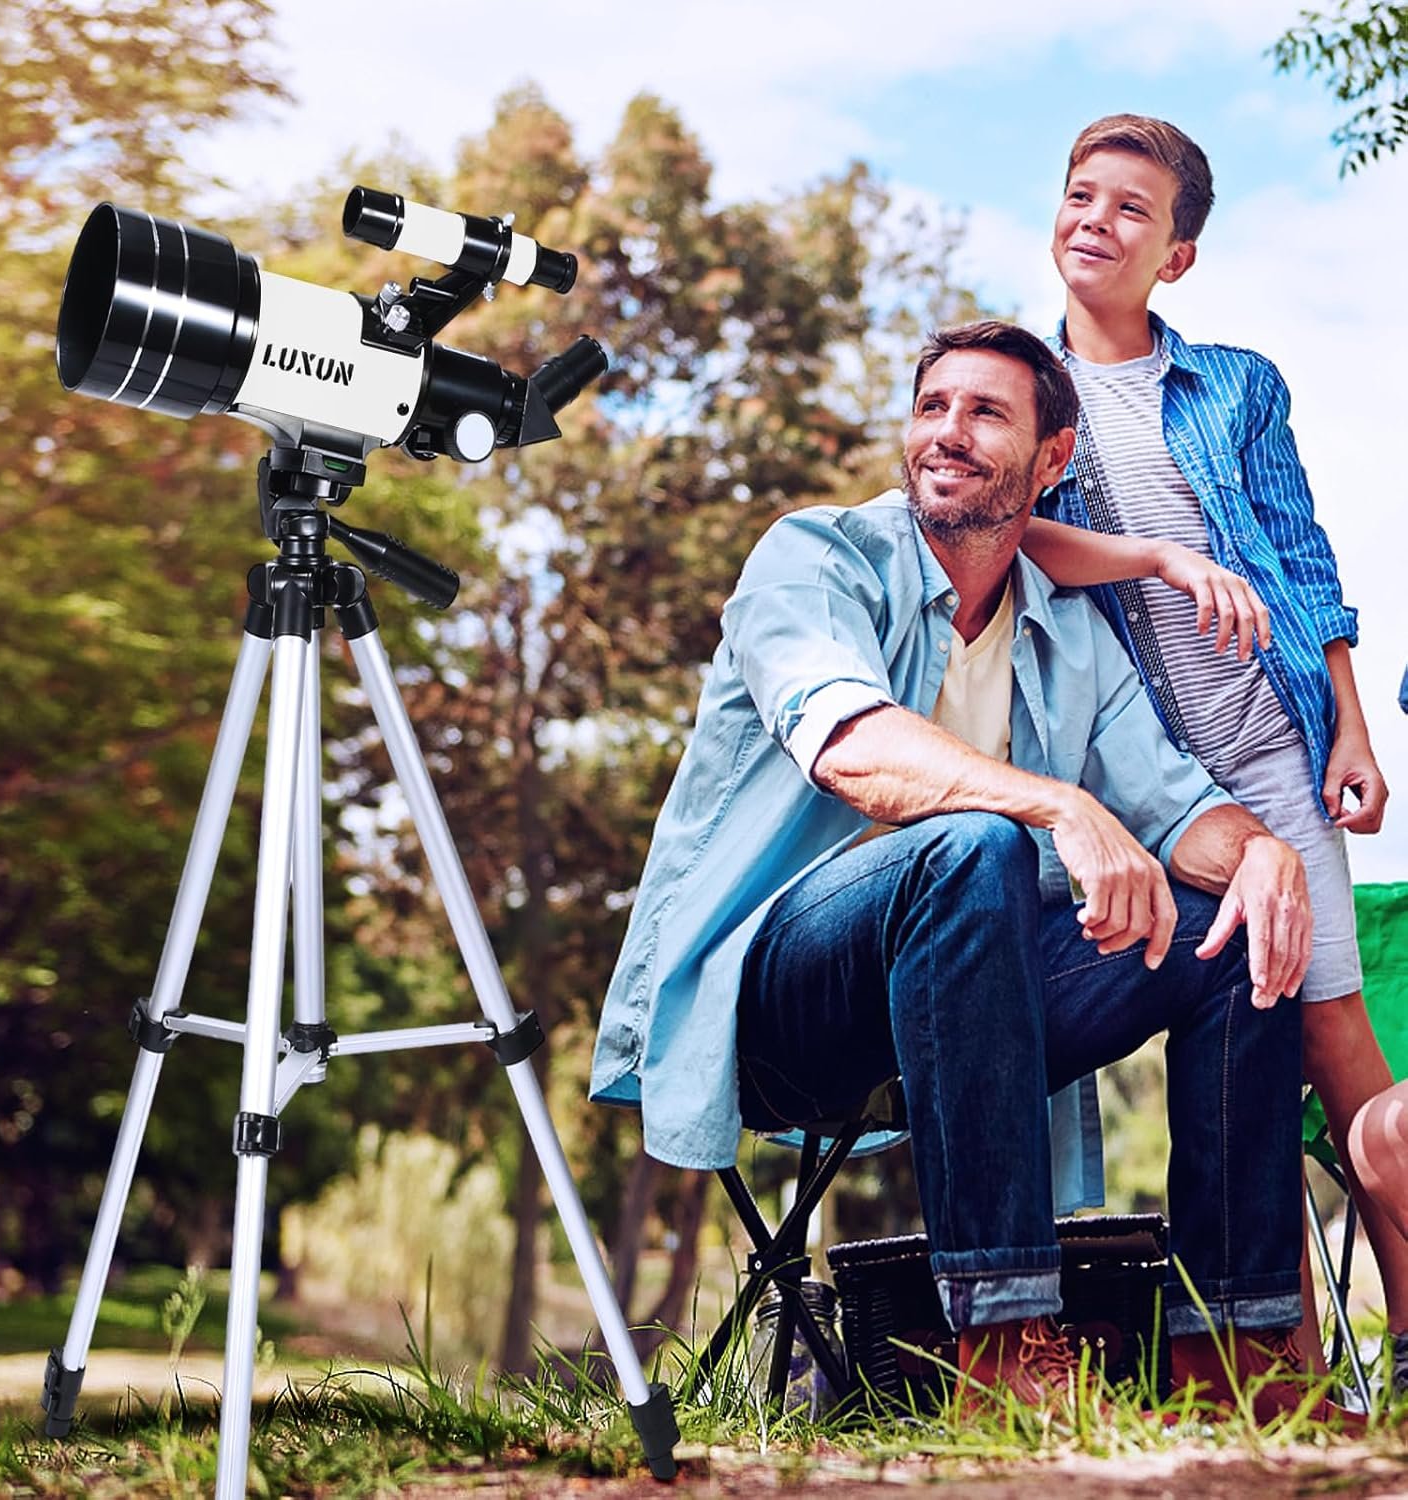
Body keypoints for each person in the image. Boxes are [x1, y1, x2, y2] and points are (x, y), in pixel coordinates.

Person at [591, 318, 1334, 1416]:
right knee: (971, 842)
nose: (949, 433)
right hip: (783, 1002)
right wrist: (1055, 803)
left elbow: (1182, 809)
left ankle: (1235, 1354)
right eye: (934, 407)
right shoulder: (817, 556)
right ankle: (1001, 1342)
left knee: (1238, 931)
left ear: (1052, 461)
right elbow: (851, 749)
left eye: (987, 413)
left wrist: (1265, 854)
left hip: (978, 1011)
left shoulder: (1072, 632)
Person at [1022, 112, 1402, 1384]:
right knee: (1239, 1049)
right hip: (1151, 787)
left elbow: (1298, 562)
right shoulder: (1019, 382)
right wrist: (1158, 555)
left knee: (1334, 1041)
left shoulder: (1237, 384)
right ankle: (1276, 1369)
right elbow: (1009, 535)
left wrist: (1346, 723)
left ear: (1175, 255)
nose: (1099, 221)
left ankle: (1406, 1347)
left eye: (1133, 209)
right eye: (1083, 197)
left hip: (1275, 753)